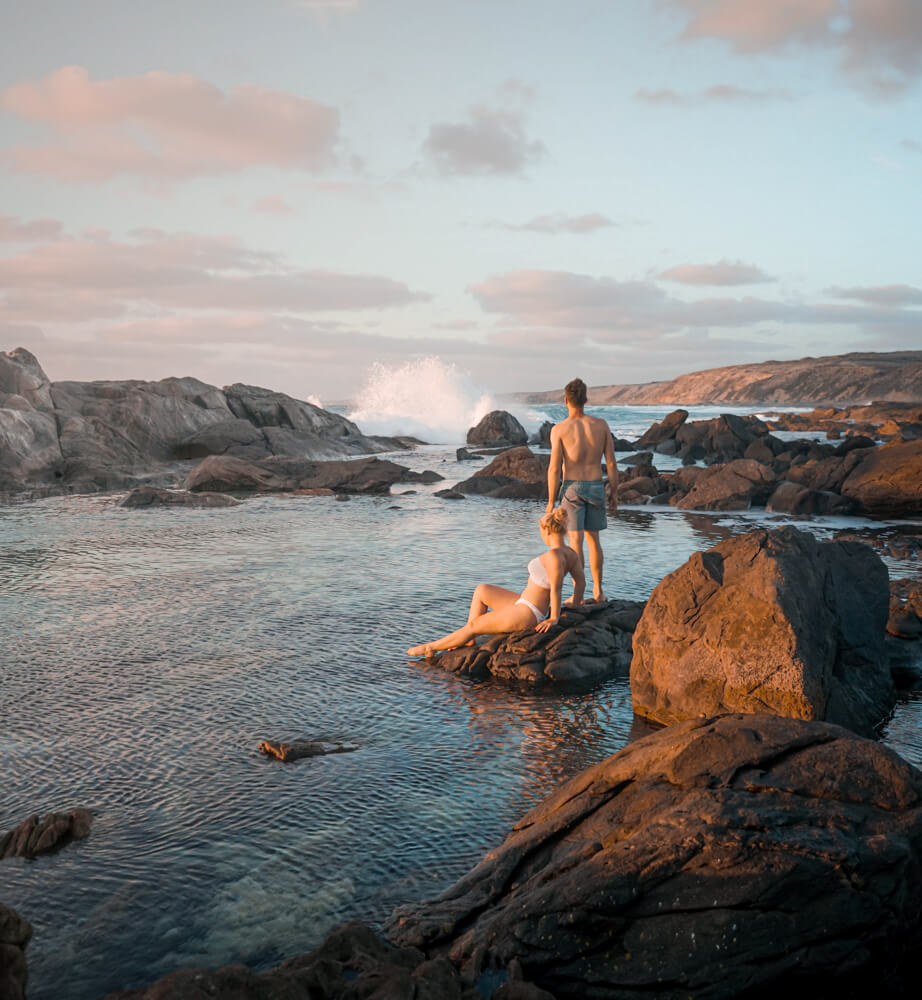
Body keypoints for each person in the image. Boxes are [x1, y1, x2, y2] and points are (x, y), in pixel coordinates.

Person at [407, 508, 585, 656]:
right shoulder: (571, 553)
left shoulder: (554, 556)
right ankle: (468, 639)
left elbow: (556, 588)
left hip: (528, 613)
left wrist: (554, 618)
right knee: (482, 590)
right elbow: (581, 583)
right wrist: (575, 602)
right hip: (523, 602)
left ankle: (431, 647)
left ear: (547, 531)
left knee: (474, 625)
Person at [546, 377, 618, 602]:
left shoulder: (559, 430)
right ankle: (598, 591)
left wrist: (550, 501)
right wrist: (615, 492)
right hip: (596, 485)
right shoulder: (601, 425)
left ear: (565, 400)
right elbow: (613, 463)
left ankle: (578, 595)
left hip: (572, 488)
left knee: (575, 541)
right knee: (594, 540)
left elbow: (554, 469)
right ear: (585, 400)